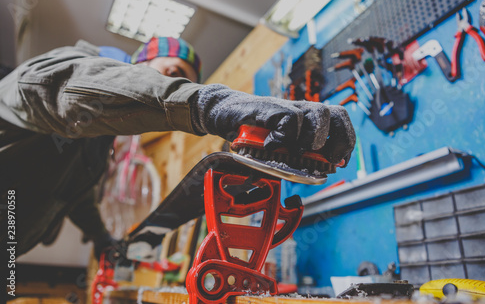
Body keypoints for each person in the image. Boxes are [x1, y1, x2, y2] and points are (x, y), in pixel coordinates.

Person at [0, 36, 356, 258]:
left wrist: (102, 238)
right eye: (171, 70)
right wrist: (206, 105)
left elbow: (73, 195)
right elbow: (69, 88)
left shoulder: (97, 143)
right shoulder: (68, 68)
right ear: (141, 62)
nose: (173, 80)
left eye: (183, 79)